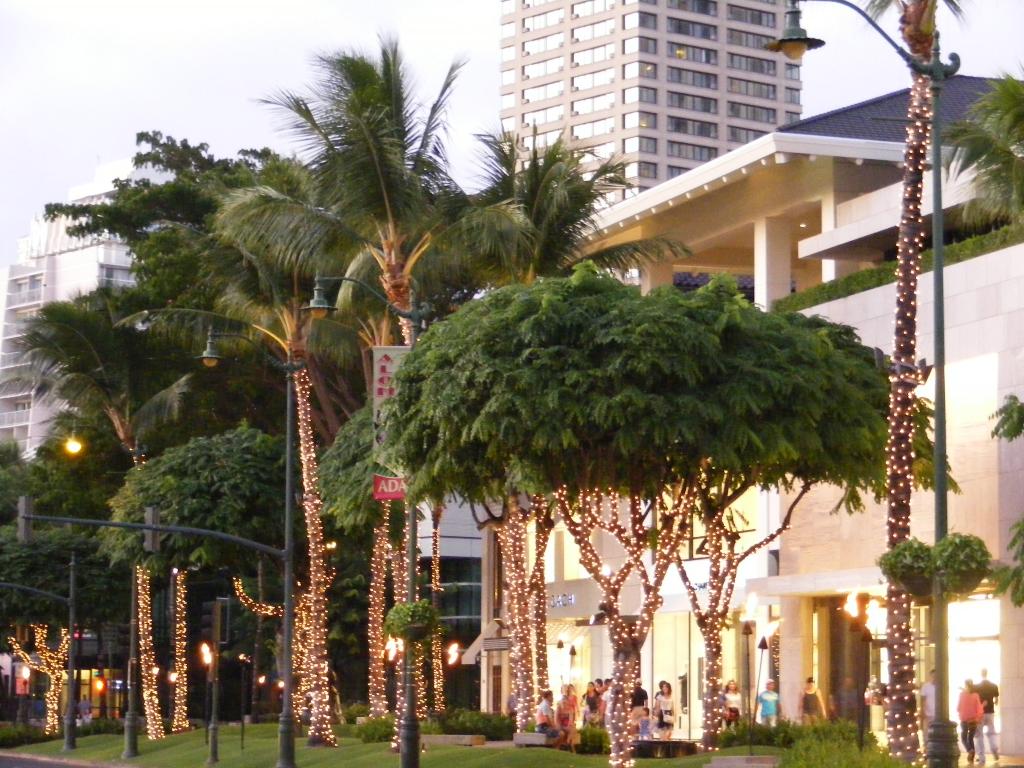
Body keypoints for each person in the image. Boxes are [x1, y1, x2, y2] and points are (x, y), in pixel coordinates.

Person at [974, 668, 999, 765]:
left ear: (981, 674)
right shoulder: (993, 686)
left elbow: (974, 700)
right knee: (992, 732)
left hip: (980, 713)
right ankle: (994, 749)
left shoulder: (976, 687)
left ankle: (982, 758)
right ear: (987, 673)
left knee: (979, 735)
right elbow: (996, 701)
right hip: (990, 712)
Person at [958, 679, 984, 764]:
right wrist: (978, 718)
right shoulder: (976, 695)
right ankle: (971, 758)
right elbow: (979, 708)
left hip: (964, 720)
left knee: (963, 738)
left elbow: (958, 707)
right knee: (970, 738)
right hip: (973, 720)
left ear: (966, 685)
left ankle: (970, 750)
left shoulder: (962, 695)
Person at [558, 685, 580, 752]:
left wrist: (570, 724)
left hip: (568, 724)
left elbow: (571, 719)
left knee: (572, 728)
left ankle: (567, 743)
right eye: (563, 702)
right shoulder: (559, 708)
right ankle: (569, 746)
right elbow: (557, 720)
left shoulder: (570, 708)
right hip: (562, 725)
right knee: (573, 729)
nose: (565, 703)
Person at [919, 669, 936, 752]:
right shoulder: (926, 686)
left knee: (935, 732)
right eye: (933, 675)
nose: (934, 677)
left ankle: (934, 749)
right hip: (928, 713)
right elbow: (922, 699)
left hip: (937, 714)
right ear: (931, 676)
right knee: (926, 732)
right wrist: (922, 710)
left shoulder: (941, 687)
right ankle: (927, 749)